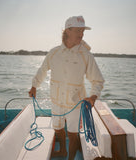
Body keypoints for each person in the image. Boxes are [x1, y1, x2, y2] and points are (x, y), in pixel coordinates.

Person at [29, 15, 104, 160]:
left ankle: (70, 158)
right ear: (67, 31)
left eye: (83, 31)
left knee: (73, 133)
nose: (81, 34)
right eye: (78, 30)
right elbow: (42, 70)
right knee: (57, 128)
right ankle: (63, 150)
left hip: (75, 103)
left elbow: (98, 80)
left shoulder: (86, 55)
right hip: (56, 100)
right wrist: (34, 86)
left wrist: (93, 96)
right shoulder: (54, 52)